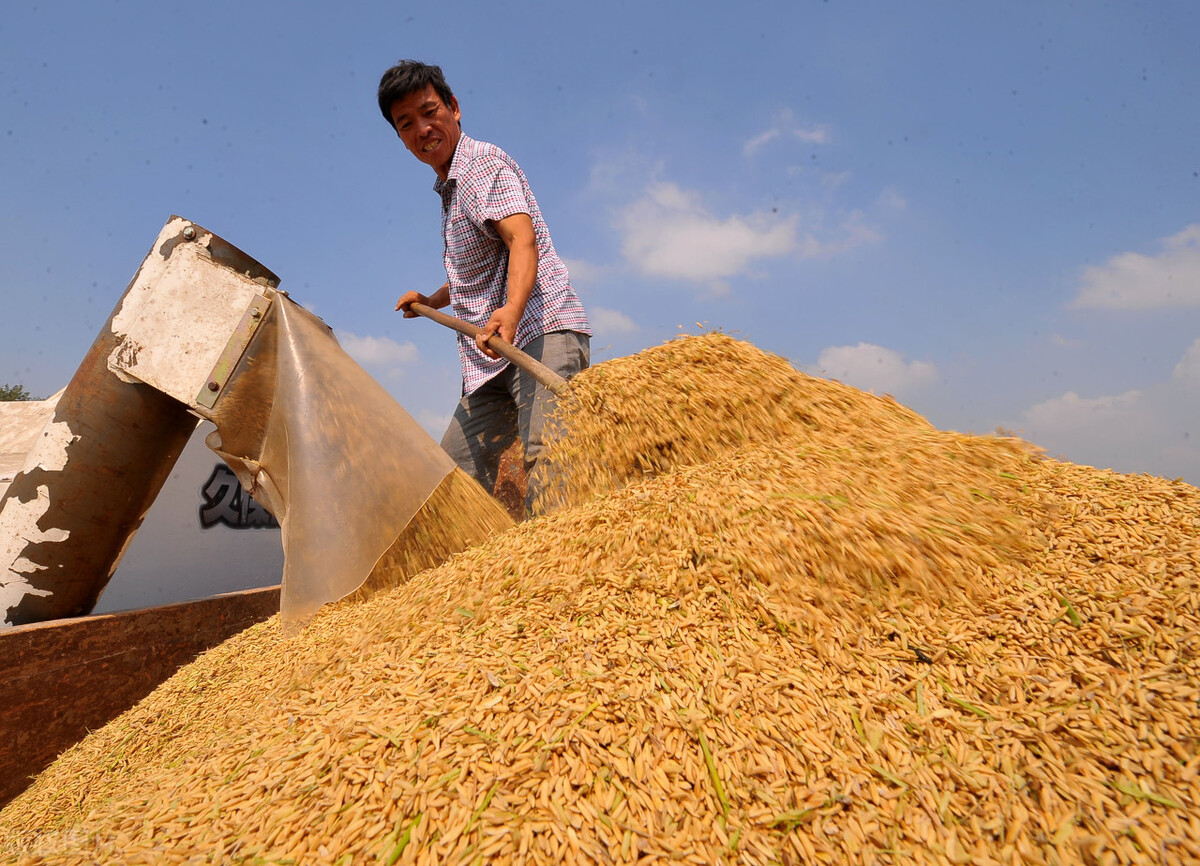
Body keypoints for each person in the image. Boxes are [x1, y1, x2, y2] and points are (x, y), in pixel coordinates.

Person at [380, 60, 591, 516]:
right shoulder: (451, 188)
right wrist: (432, 301)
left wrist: (512, 311)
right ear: (399, 137)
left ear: (454, 107)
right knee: (454, 475)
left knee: (551, 462)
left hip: (539, 333)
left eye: (429, 111)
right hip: (488, 357)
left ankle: (571, 576)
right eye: (406, 123)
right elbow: (477, 268)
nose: (423, 129)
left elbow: (521, 239)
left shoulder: (480, 165)